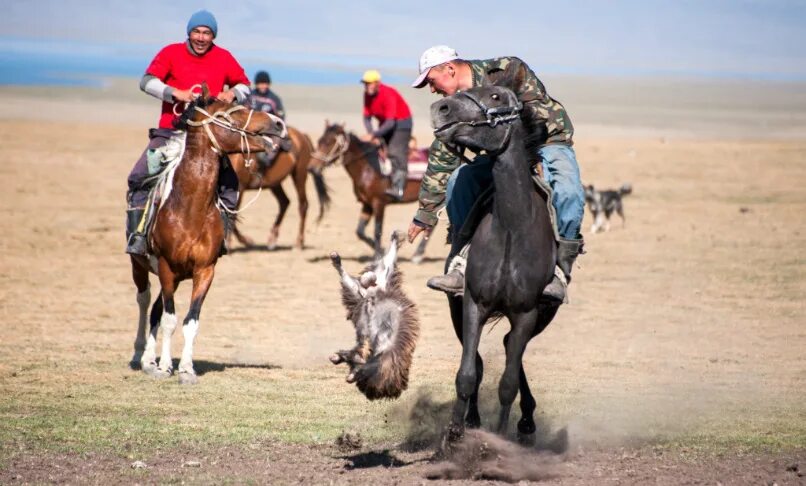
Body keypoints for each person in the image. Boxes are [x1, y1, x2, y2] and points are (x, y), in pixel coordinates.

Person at [406, 45, 585, 303]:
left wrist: (529, 155)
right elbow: (443, 154)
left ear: (450, 69)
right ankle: (461, 261)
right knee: (459, 181)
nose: (432, 90)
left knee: (568, 191)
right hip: (499, 153)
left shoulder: (506, 69)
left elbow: (536, 112)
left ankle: (561, 271)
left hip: (546, 142)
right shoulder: (456, 104)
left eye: (431, 82)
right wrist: (425, 213)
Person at [125, 9, 251, 256]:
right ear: (189, 33)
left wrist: (232, 94)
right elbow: (146, 81)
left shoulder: (224, 57)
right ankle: (137, 237)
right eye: (197, 32)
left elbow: (245, 85)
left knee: (230, 185)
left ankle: (220, 241)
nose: (201, 38)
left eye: (207, 33)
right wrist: (176, 93)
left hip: (208, 139)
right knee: (138, 178)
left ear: (213, 36)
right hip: (170, 133)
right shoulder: (170, 53)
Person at [361, 69, 413, 199]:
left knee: (395, 152)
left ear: (377, 83)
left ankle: (398, 188)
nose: (367, 86)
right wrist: (371, 134)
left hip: (401, 124)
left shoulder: (388, 93)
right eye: (365, 83)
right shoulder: (367, 94)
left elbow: (391, 123)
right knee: (375, 149)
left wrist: (373, 135)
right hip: (384, 124)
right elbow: (366, 118)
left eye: (369, 83)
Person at [246, 70, 290, 169]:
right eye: (260, 83)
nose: (263, 86)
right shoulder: (249, 96)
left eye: (265, 83)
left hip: (268, 131)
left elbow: (281, 116)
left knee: (276, 140)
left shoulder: (274, 99)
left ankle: (267, 161)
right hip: (250, 128)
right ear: (256, 84)